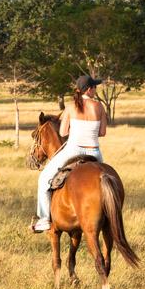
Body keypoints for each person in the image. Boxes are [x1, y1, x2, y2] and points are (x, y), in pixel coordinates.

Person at [31, 75, 108, 233]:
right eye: (94, 87)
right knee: (107, 179)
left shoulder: (71, 107)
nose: (95, 89)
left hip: (73, 149)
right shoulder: (99, 107)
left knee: (44, 179)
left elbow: (63, 131)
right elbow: (102, 132)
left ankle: (45, 219)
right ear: (89, 89)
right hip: (95, 151)